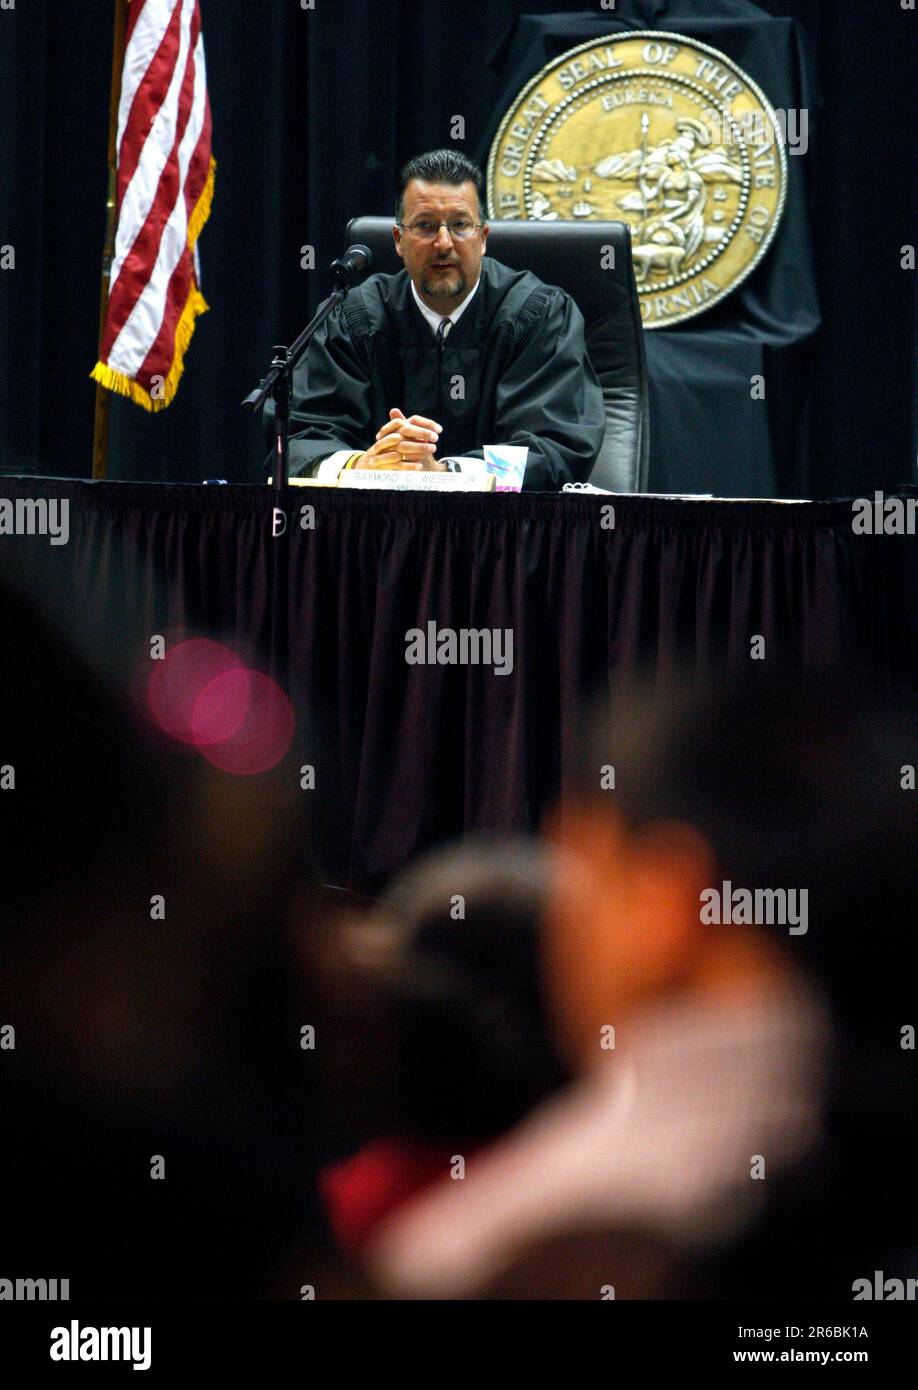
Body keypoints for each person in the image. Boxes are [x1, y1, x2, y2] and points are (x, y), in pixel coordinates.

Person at [281, 149, 606, 492]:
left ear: (483, 239)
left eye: (460, 225)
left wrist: (446, 474)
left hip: (504, 534)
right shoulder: (352, 318)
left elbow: (554, 448)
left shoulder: (538, 316)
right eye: (425, 225)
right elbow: (301, 437)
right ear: (398, 240)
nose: (444, 243)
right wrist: (362, 465)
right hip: (374, 529)